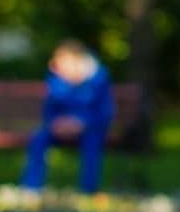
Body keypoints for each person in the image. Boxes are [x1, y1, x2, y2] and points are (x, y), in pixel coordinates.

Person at [21, 39, 115, 194]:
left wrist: (82, 124)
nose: (56, 66)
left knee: (92, 141)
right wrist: (56, 124)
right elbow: (49, 111)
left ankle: (88, 190)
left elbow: (105, 113)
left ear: (76, 61)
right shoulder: (56, 79)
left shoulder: (98, 79)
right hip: (61, 130)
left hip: (89, 129)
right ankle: (31, 187)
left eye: (62, 62)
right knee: (39, 138)